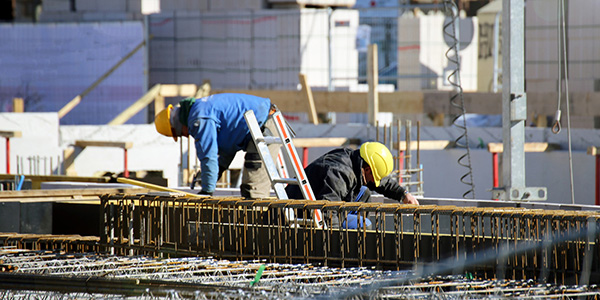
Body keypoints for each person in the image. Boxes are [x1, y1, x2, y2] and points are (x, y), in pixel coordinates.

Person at [154, 93, 280, 199]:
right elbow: (229, 147)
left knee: (253, 191)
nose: (186, 136)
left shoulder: (198, 118)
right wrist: (217, 170)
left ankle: (260, 227)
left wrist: (207, 191)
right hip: (262, 124)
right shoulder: (201, 109)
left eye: (181, 134)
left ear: (179, 126)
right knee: (250, 191)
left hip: (264, 127)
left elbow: (208, 155)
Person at [285, 141, 419, 228]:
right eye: (373, 177)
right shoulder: (339, 173)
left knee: (365, 192)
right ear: (367, 169)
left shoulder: (355, 159)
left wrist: (403, 194)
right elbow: (329, 212)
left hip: (322, 202)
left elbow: (381, 182)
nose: (374, 182)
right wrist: (337, 242)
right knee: (364, 225)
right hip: (303, 213)